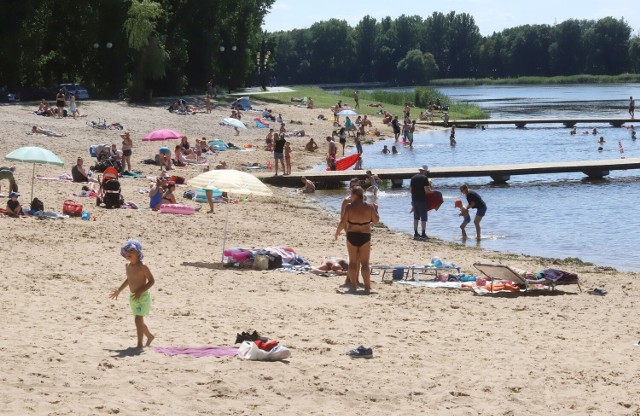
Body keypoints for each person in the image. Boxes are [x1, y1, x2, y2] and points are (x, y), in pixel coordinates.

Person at [109, 240, 155, 349]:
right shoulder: (127, 266)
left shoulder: (143, 267)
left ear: (138, 253)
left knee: (138, 319)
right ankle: (149, 336)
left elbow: (152, 281)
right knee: (139, 320)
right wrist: (119, 290)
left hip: (143, 296)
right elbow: (129, 280)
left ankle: (139, 345)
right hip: (133, 296)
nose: (128, 253)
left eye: (131, 251)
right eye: (126, 251)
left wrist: (140, 291)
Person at [335, 186, 380, 293]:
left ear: (355, 195)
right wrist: (376, 209)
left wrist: (337, 232)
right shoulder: (369, 207)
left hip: (352, 235)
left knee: (353, 262)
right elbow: (376, 221)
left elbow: (343, 222)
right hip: (365, 235)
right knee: (365, 263)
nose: (350, 197)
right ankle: (367, 287)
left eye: (351, 195)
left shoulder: (349, 207)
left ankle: (354, 285)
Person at [410, 165, 432, 240]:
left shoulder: (413, 177)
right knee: (423, 218)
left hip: (414, 200)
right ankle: (423, 234)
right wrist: (432, 192)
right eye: (427, 172)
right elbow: (427, 190)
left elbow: (410, 190)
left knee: (416, 217)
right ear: (424, 171)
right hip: (422, 200)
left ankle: (416, 233)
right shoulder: (425, 178)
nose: (427, 173)